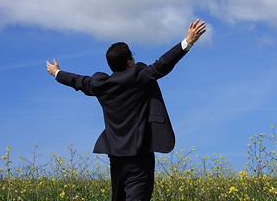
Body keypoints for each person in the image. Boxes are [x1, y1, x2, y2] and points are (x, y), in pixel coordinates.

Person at [46, 19, 206, 201]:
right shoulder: (138, 76)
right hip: (139, 156)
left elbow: (79, 81)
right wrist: (187, 42)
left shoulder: (101, 84)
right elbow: (162, 65)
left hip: (115, 156)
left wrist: (58, 73)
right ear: (129, 61)